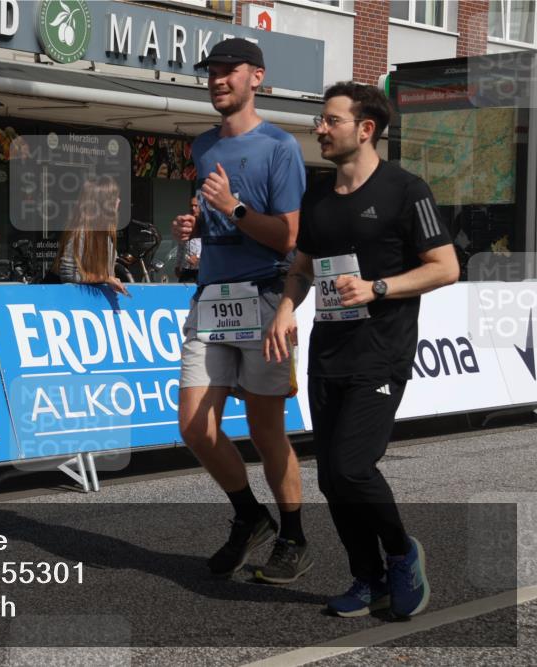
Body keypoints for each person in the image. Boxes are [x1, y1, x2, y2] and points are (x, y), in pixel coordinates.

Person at [265, 82, 458, 617]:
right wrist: (286, 307)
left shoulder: (406, 190)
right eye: (320, 120)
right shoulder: (318, 195)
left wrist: (379, 287)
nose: (319, 129)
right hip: (329, 351)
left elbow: (446, 267)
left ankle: (401, 554)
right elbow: (302, 268)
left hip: (382, 351)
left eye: (330, 120)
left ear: (365, 129)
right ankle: (366, 577)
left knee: (352, 468)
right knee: (330, 475)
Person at [172, 38, 309, 583]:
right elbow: (220, 222)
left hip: (265, 297)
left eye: (230, 71)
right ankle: (251, 518)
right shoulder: (202, 146)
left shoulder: (280, 147)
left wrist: (232, 207)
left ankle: (294, 535)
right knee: (194, 427)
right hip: (211, 300)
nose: (218, 80)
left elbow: (288, 238)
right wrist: (200, 225)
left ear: (258, 77)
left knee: (265, 430)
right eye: (212, 72)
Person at [52, 175, 129, 296]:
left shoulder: (105, 235)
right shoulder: (81, 232)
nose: (119, 201)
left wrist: (111, 280)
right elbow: (68, 274)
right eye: (114, 197)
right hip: (78, 307)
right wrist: (105, 278)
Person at [174, 195, 202, 282]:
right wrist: (178, 265)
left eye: (196, 206)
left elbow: (211, 245)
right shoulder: (186, 224)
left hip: (202, 269)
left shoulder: (207, 224)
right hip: (187, 269)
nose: (193, 208)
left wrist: (198, 256)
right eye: (191, 206)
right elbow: (181, 246)